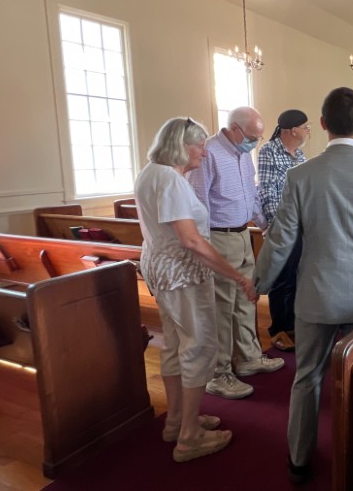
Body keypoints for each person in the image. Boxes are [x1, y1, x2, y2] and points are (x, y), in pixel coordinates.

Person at [254, 87, 353, 484]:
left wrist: (259, 283)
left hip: (317, 294)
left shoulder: (301, 176)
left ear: (322, 124)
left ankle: (299, 460)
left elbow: (281, 239)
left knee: (307, 377)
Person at [135, 117, 256, 462]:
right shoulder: (171, 180)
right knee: (199, 346)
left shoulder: (151, 172)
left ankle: (176, 420)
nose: (204, 152)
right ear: (180, 145)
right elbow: (191, 240)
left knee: (176, 345)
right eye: (199, 146)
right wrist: (237, 276)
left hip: (161, 266)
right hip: (182, 273)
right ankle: (189, 436)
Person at [188, 106, 284, 401]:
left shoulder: (243, 155)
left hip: (243, 234)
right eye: (252, 137)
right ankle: (220, 373)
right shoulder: (209, 153)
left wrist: (264, 224)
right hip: (219, 236)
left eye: (258, 138)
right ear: (234, 129)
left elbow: (251, 194)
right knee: (222, 306)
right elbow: (199, 201)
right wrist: (205, 245)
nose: (255, 143)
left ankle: (248, 358)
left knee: (246, 298)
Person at [257, 109, 311, 352]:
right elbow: (266, 190)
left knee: (296, 277)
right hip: (282, 226)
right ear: (292, 130)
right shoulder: (269, 151)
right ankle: (279, 329)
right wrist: (274, 225)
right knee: (281, 278)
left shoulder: (299, 155)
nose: (308, 131)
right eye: (305, 127)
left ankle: (293, 326)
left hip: (301, 226)